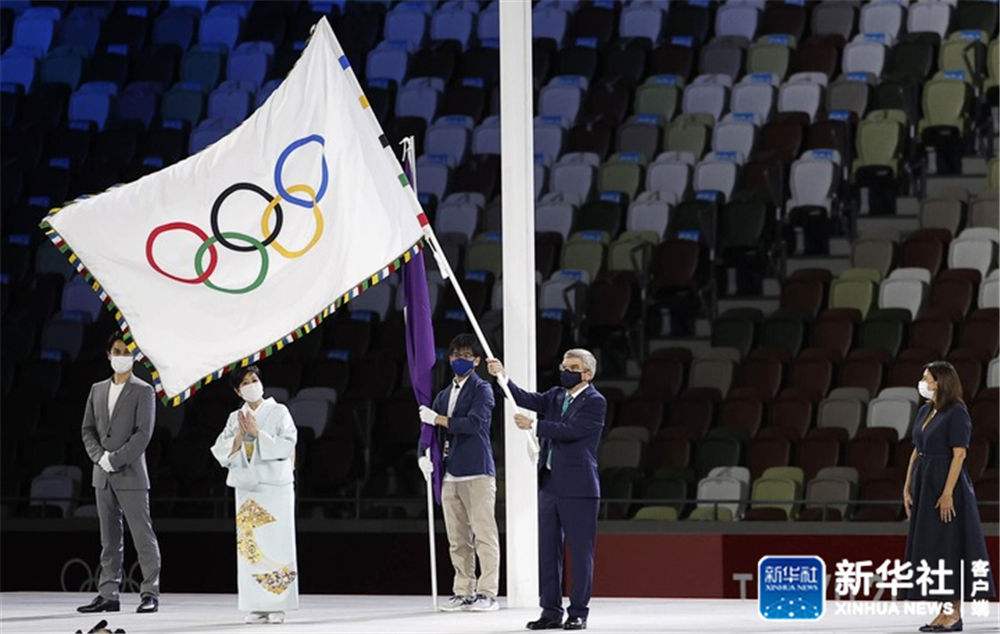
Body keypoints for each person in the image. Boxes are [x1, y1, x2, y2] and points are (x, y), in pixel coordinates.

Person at [487, 350, 606, 631]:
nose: (566, 371)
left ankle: (578, 612)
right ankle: (550, 611)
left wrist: (535, 425)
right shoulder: (555, 395)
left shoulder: (595, 402)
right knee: (548, 552)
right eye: (564, 366)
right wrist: (501, 377)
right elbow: (524, 398)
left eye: (573, 367)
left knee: (580, 552)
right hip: (550, 484)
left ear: (587, 373)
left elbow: (571, 431)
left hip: (579, 487)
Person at [903, 361, 996, 632]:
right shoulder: (925, 411)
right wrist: (907, 485)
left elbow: (960, 453)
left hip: (947, 482)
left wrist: (947, 493)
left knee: (949, 546)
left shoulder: (957, 412)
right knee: (932, 547)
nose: (923, 382)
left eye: (926, 378)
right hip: (925, 480)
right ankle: (943, 609)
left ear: (940, 382)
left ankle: (953, 613)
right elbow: (916, 450)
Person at [78, 332, 161, 614]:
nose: (122, 355)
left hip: (131, 473)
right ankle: (108, 593)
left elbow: (143, 434)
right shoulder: (96, 389)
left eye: (127, 351)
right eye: (117, 350)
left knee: (141, 534)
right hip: (102, 473)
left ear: (135, 356)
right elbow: (87, 429)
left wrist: (117, 458)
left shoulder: (144, 390)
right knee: (109, 538)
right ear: (108, 354)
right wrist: (100, 458)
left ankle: (150, 592)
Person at [417, 334, 500, 612]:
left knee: (484, 535)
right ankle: (463, 590)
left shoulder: (482, 390)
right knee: (458, 539)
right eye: (454, 355)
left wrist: (439, 419)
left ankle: (487, 592)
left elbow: (475, 424)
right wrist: (422, 455)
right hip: (450, 474)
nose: (459, 360)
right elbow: (428, 428)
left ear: (476, 361)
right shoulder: (444, 394)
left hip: (477, 471)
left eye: (465, 356)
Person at [211, 365, 299, 625]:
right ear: (238, 391)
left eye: (255, 379)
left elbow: (287, 444)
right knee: (251, 548)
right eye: (246, 382)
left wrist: (258, 433)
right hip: (249, 489)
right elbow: (221, 450)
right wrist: (240, 436)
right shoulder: (234, 417)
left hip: (276, 486)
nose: (252, 384)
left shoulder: (279, 411)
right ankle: (256, 605)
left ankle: (277, 604)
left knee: (278, 544)